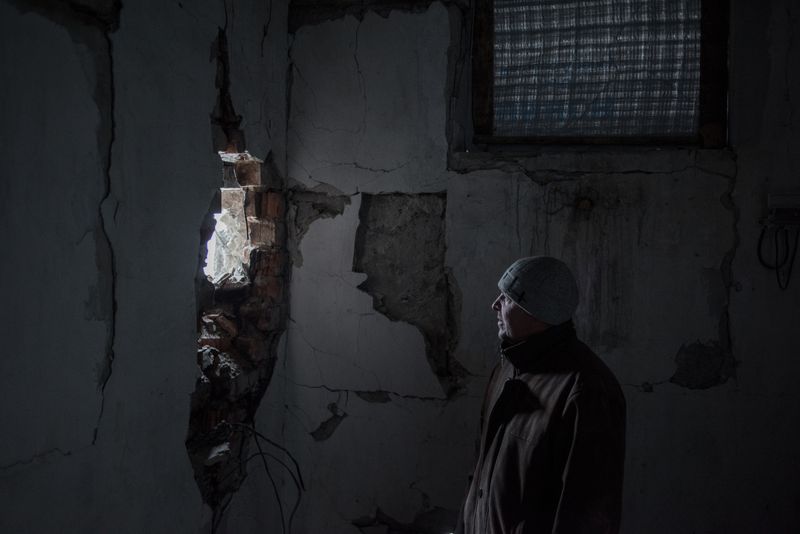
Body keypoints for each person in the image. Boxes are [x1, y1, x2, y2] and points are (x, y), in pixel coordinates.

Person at [455, 256, 626, 534]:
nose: (494, 305)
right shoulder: (506, 369)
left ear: (536, 312)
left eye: (507, 298)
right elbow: (479, 474)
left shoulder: (587, 390)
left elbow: (589, 513)